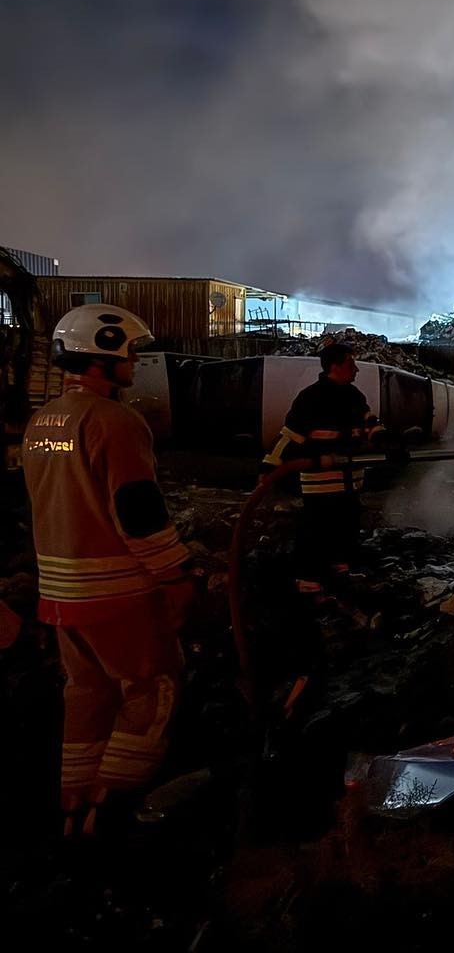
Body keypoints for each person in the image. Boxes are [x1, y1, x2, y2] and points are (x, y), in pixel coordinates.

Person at [21, 304, 193, 836]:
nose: (135, 362)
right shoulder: (114, 421)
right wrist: (176, 574)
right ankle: (114, 807)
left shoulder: (42, 421)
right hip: (115, 593)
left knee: (87, 692)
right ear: (105, 352)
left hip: (60, 595)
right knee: (153, 687)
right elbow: (138, 512)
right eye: (131, 352)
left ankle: (73, 803)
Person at [262, 343, 387, 591]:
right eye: (351, 364)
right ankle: (309, 582)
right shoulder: (310, 398)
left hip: (351, 481)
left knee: (347, 530)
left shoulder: (354, 396)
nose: (357, 370)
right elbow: (289, 437)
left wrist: (385, 440)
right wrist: (268, 468)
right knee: (317, 531)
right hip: (320, 483)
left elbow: (369, 421)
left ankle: (340, 576)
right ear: (335, 366)